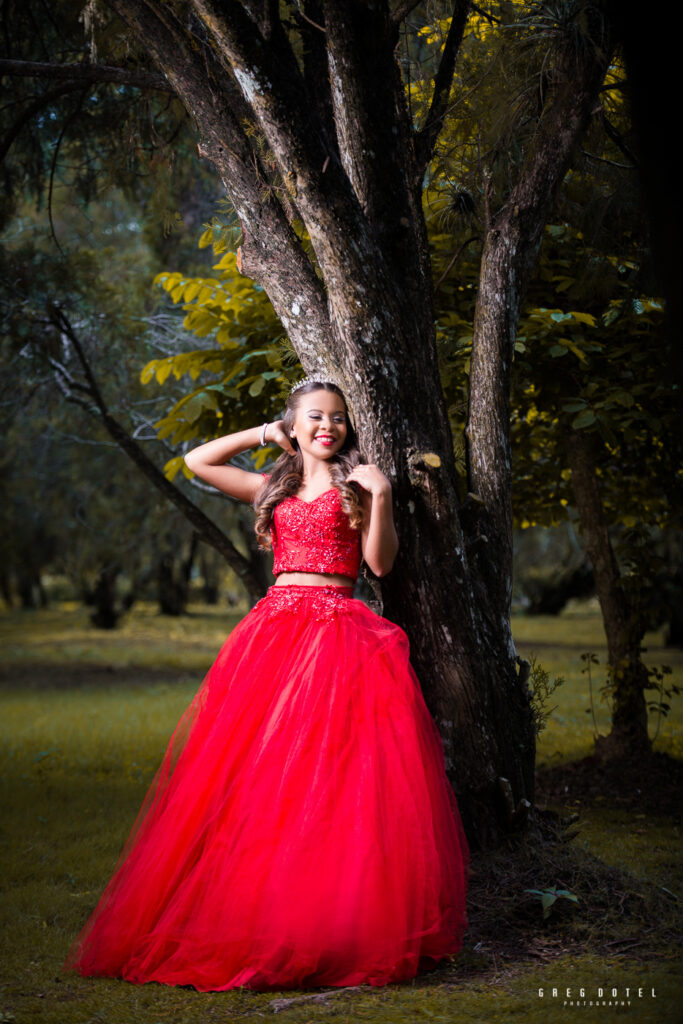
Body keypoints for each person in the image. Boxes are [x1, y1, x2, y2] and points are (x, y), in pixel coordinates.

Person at [63, 376, 470, 992]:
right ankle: (251, 910)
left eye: (337, 417)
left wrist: (382, 495)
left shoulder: (357, 488)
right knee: (260, 770)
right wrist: (263, 434)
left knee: (332, 775)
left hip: (339, 635)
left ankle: (324, 918)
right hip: (276, 632)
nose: (326, 427)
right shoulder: (272, 487)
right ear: (295, 423)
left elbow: (381, 565)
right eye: (313, 417)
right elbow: (197, 461)